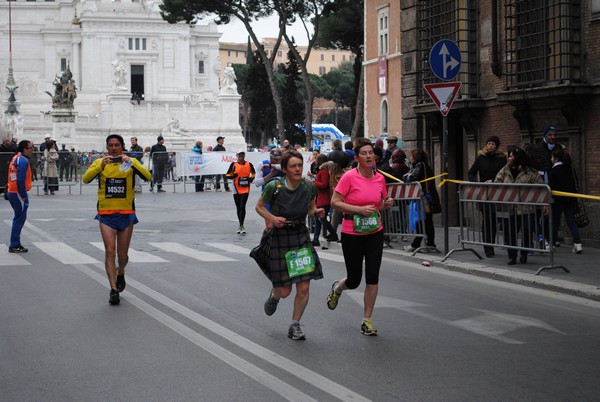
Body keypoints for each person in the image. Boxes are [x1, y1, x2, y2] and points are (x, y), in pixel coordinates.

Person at [326, 138, 395, 336]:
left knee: (373, 277)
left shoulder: (380, 178)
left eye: (370, 153)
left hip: (374, 231)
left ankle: (367, 320)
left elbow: (380, 204)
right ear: (356, 158)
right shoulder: (349, 177)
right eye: (363, 153)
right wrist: (358, 209)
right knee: (355, 279)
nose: (367, 156)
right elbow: (335, 202)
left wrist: (386, 204)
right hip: (352, 232)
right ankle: (338, 288)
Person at [255, 149, 326, 340]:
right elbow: (259, 207)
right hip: (280, 236)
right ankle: (275, 295)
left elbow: (310, 209)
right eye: (293, 166)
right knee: (285, 291)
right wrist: (272, 218)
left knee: (303, 287)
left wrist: (316, 212)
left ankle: (295, 325)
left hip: (300, 236)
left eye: (300, 165)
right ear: (285, 169)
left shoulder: (309, 186)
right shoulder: (274, 186)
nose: (297, 169)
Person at [82, 134, 152, 305]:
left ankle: (121, 272)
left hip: (126, 212)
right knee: (110, 251)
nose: (113, 148)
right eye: (110, 145)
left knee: (122, 256)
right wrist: (100, 167)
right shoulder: (100, 162)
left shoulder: (129, 162)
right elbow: (85, 179)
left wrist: (133, 162)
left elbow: (148, 177)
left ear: (122, 146)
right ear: (107, 147)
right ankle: (113, 290)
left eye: (117, 145)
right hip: (106, 213)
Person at [494, 146, 544, 265]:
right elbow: (497, 182)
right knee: (510, 233)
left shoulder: (530, 172)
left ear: (517, 158)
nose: (509, 158)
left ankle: (524, 254)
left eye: (511, 156)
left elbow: (541, 187)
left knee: (526, 232)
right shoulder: (505, 170)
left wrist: (543, 203)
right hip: (510, 209)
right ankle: (512, 256)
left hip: (526, 209)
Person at [467, 135, 507, 257]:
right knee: (488, 220)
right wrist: (478, 184)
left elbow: (506, 173)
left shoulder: (502, 159)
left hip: (497, 193)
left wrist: (496, 182)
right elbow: (471, 173)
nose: (490, 146)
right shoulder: (480, 158)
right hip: (484, 193)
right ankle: (488, 248)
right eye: (489, 143)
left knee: (494, 220)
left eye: (493, 144)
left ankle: (492, 244)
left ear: (497, 146)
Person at [402, 148, 441, 252]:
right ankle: (430, 244)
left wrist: (405, 176)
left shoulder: (420, 166)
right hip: (426, 197)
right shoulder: (423, 166)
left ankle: (417, 244)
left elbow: (411, 177)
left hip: (424, 198)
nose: (410, 158)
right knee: (427, 221)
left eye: (411, 156)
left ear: (416, 157)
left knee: (422, 220)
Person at [547, 148, 583, 254]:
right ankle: (578, 244)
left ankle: (552, 245)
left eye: (552, 157)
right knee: (571, 222)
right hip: (570, 200)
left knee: (555, 223)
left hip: (557, 201)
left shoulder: (553, 171)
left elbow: (551, 187)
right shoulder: (568, 169)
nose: (551, 159)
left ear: (556, 158)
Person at [7, 140, 34, 253]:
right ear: (24, 149)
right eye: (31, 148)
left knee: (18, 218)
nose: (32, 150)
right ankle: (14, 244)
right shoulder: (23, 160)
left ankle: (15, 243)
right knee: (19, 218)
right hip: (18, 192)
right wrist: (23, 194)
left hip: (12, 190)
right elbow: (21, 179)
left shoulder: (16, 158)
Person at [225, 151, 256, 234]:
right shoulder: (233, 165)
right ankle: (240, 225)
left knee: (242, 206)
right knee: (238, 207)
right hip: (236, 188)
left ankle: (242, 225)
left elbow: (253, 173)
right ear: (237, 156)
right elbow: (227, 175)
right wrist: (233, 176)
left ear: (244, 156)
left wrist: (251, 179)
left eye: (242, 155)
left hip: (245, 188)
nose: (241, 156)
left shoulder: (249, 164)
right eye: (240, 155)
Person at [312, 154, 338, 247]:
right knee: (319, 219)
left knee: (321, 218)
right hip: (321, 198)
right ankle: (315, 239)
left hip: (324, 198)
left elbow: (323, 184)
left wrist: (314, 182)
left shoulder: (324, 171)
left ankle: (333, 234)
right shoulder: (323, 170)